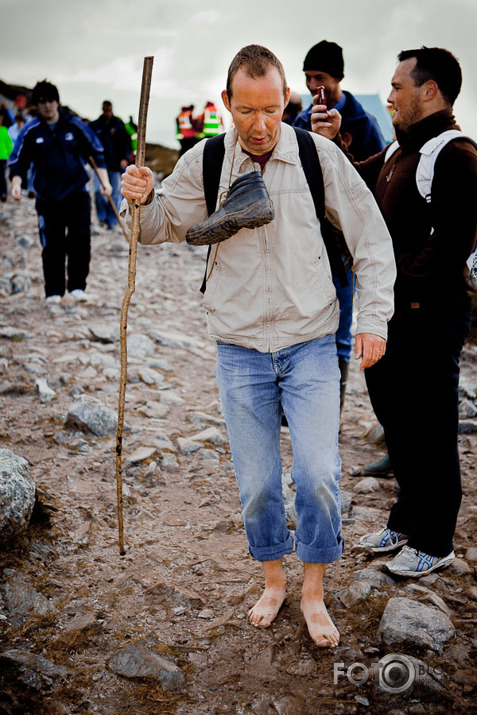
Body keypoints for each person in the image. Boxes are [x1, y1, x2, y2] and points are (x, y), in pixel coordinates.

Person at [121, 44, 396, 647]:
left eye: (271, 109)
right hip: (239, 348)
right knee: (259, 485)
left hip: (312, 344)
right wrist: (138, 197)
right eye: (246, 111)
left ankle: (313, 591)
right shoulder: (208, 160)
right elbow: (159, 227)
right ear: (227, 105)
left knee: (320, 474)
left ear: (286, 101)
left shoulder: (318, 158)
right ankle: (273, 579)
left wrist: (373, 319)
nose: (260, 125)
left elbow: (371, 239)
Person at [312, 47, 477, 577]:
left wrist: (394, 286)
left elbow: (450, 245)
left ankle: (436, 538)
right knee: (396, 420)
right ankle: (407, 518)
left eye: (397, 87)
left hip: (429, 316)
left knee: (430, 425)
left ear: (429, 91)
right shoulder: (399, 150)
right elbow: (356, 184)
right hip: (387, 314)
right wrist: (334, 143)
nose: (388, 96)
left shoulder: (456, 155)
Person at [294, 41, 387, 411]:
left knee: (340, 335)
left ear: (339, 78)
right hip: (302, 245)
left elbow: (373, 188)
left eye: (321, 77)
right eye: (307, 77)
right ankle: (303, 404)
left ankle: (332, 410)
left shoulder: (364, 125)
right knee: (302, 327)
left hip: (343, 253)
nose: (314, 85)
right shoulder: (301, 121)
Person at [9, 80, 111, 302]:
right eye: (42, 102)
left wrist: (105, 182)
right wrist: (16, 183)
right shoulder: (31, 130)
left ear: (57, 101)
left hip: (77, 193)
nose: (47, 106)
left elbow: (96, 153)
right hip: (47, 198)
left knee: (80, 240)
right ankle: (53, 291)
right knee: (52, 245)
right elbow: (18, 161)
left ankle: (77, 287)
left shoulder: (75, 126)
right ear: (37, 105)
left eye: (51, 101)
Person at [90, 101, 131, 229]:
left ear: (112, 109)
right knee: (98, 192)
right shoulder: (96, 125)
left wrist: (125, 158)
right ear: (102, 109)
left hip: (115, 165)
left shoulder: (118, 124)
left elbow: (126, 142)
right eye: (105, 109)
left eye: (109, 109)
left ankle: (112, 221)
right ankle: (101, 218)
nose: (107, 112)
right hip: (99, 165)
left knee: (114, 193)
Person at [0, 115, 13, 202]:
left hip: (2, 157)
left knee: (1, 175)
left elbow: (9, 144)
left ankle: (3, 193)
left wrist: (8, 153)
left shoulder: (4, 130)